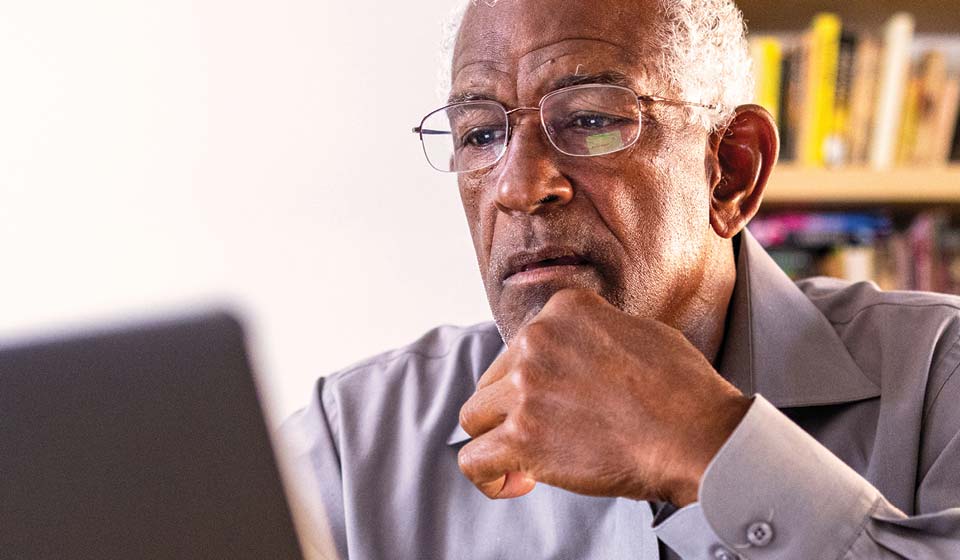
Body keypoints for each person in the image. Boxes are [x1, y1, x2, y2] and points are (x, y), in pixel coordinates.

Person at [281, 0, 960, 558]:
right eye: (481, 134)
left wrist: (714, 445)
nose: (519, 188)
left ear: (731, 170)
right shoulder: (351, 445)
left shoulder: (940, 379)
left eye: (590, 119)